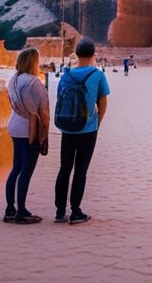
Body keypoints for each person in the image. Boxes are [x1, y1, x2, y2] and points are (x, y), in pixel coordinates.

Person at [53, 38, 110, 225]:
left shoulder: (66, 75)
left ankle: (60, 211)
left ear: (76, 55)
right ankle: (76, 211)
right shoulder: (97, 75)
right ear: (94, 55)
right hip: (87, 129)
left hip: (68, 128)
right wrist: (97, 122)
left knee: (64, 169)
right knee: (80, 171)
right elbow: (102, 102)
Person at [4, 48, 49, 224]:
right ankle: (21, 212)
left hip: (15, 126)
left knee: (16, 168)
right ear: (33, 62)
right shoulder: (34, 82)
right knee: (26, 171)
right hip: (29, 130)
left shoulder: (13, 79)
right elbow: (43, 110)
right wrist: (44, 135)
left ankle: (10, 209)